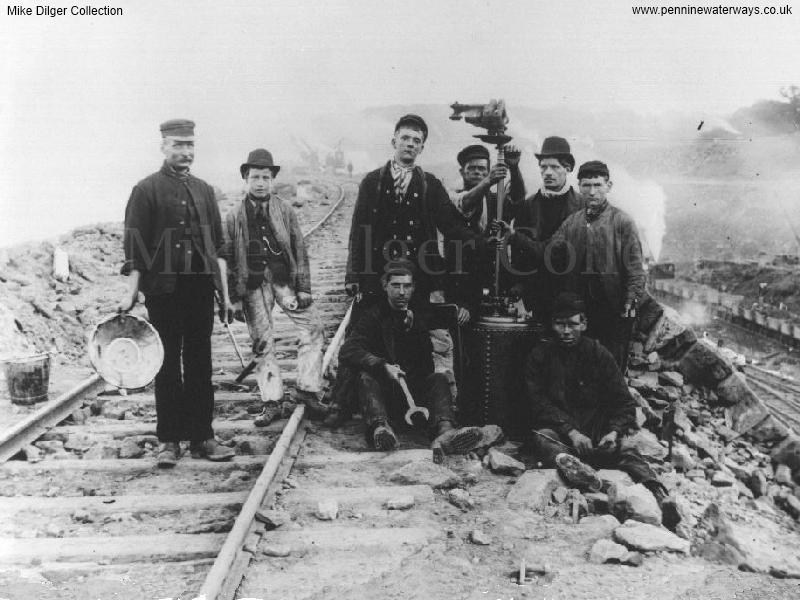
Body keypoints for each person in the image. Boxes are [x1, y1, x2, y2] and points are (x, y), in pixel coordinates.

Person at [119, 119, 235, 467]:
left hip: (200, 287)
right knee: (166, 363)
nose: (186, 152)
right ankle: (169, 439)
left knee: (200, 362)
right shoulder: (146, 190)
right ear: (163, 147)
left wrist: (226, 296)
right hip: (163, 290)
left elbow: (219, 249)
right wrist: (131, 294)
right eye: (178, 145)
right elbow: (135, 251)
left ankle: (203, 437)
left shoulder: (204, 190)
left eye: (190, 145)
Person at [496, 160, 644, 369]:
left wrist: (631, 299)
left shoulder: (622, 222)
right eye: (586, 185)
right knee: (580, 363)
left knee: (612, 364)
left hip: (614, 306)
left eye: (597, 185)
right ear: (580, 187)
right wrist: (513, 236)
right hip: (581, 307)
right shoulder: (572, 223)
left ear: (608, 186)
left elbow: (635, 266)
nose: (592, 192)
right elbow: (545, 251)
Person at [337, 259, 486, 459]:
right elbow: (348, 349)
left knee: (439, 379)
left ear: (413, 288)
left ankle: (445, 432)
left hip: (416, 392)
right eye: (395, 286)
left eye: (407, 286)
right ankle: (381, 428)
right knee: (366, 378)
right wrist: (382, 366)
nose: (401, 292)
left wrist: (415, 329)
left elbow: (427, 363)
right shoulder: (373, 316)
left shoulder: (419, 315)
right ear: (385, 286)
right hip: (386, 394)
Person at [219, 149, 326, 426]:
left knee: (313, 327)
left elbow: (299, 249)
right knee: (262, 342)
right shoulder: (233, 217)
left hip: (284, 281)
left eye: (266, 177)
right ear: (245, 178)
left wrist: (303, 288)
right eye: (255, 177)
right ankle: (272, 401)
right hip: (253, 286)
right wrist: (234, 298)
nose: (260, 183)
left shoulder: (285, 210)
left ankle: (308, 390)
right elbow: (228, 260)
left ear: (273, 179)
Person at [525, 292, 666, 500]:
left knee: (626, 447)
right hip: (563, 436)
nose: (566, 331)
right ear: (551, 325)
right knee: (542, 438)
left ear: (583, 324)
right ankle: (581, 473)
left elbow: (624, 402)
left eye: (572, 324)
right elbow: (537, 403)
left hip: (597, 435)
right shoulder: (540, 356)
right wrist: (571, 432)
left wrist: (613, 432)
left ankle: (657, 491)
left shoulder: (599, 354)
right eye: (559, 324)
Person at [344, 114, 485, 314]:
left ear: (422, 148)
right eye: (405, 138)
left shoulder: (430, 184)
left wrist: (483, 242)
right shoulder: (372, 181)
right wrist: (353, 275)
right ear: (394, 141)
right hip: (377, 270)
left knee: (415, 329)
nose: (410, 144)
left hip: (419, 273)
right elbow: (358, 230)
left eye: (416, 141)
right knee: (377, 327)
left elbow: (450, 226)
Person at [502, 136, 584, 325]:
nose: (548, 172)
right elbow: (519, 254)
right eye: (543, 167)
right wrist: (519, 285)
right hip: (537, 290)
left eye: (555, 167)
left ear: (568, 169)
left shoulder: (581, 205)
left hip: (572, 290)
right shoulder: (530, 205)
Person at [446, 143, 524, 317]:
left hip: (488, 279)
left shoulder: (494, 200)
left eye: (482, 169)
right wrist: (488, 180)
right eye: (471, 168)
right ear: (462, 172)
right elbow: (462, 216)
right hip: (460, 280)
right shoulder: (451, 198)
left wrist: (514, 168)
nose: (477, 172)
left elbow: (517, 200)